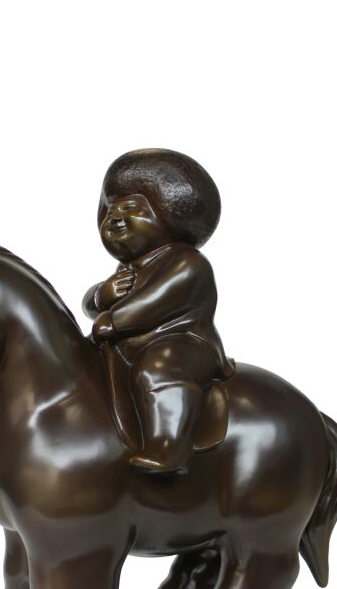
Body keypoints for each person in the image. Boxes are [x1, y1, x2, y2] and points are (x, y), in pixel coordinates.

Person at [83, 148, 234, 475]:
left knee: (159, 367)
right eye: (110, 210)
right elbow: (90, 303)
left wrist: (112, 321)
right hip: (128, 346)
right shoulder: (126, 270)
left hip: (183, 341)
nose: (115, 217)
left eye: (131, 208)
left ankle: (168, 444)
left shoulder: (187, 263)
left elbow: (154, 303)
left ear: (167, 215)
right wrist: (102, 294)